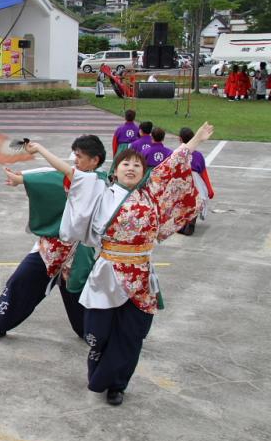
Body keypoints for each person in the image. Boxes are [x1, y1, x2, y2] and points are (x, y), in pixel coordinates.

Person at [27, 122, 212, 406]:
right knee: (98, 332)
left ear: (143, 173)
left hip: (140, 275)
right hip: (107, 271)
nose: (131, 168)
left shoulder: (151, 193)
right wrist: (39, 150)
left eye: (137, 166)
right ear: (114, 170)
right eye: (125, 163)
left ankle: (117, 384)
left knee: (132, 334)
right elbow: (70, 173)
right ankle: (100, 373)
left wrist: (195, 140)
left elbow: (171, 166)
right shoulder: (100, 190)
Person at [0, 135, 108, 344]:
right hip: (50, 248)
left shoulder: (98, 181)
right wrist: (22, 179)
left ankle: (93, 332)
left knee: (81, 297)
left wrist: (39, 149)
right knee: (20, 281)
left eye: (80, 157)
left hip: (78, 253)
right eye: (75, 155)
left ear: (95, 160)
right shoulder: (76, 177)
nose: (76, 160)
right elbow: (51, 176)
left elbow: (63, 171)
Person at [177, 127, 215, 236]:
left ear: (180, 139)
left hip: (182, 182)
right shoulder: (198, 156)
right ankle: (191, 220)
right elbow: (204, 174)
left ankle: (184, 224)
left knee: (181, 203)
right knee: (195, 202)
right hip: (196, 183)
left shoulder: (177, 154)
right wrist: (209, 189)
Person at [110, 109, 138, 175]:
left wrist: (115, 154)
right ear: (134, 117)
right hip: (133, 148)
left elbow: (115, 142)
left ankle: (112, 175)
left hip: (122, 147)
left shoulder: (120, 129)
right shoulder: (137, 128)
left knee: (117, 162)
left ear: (125, 117)